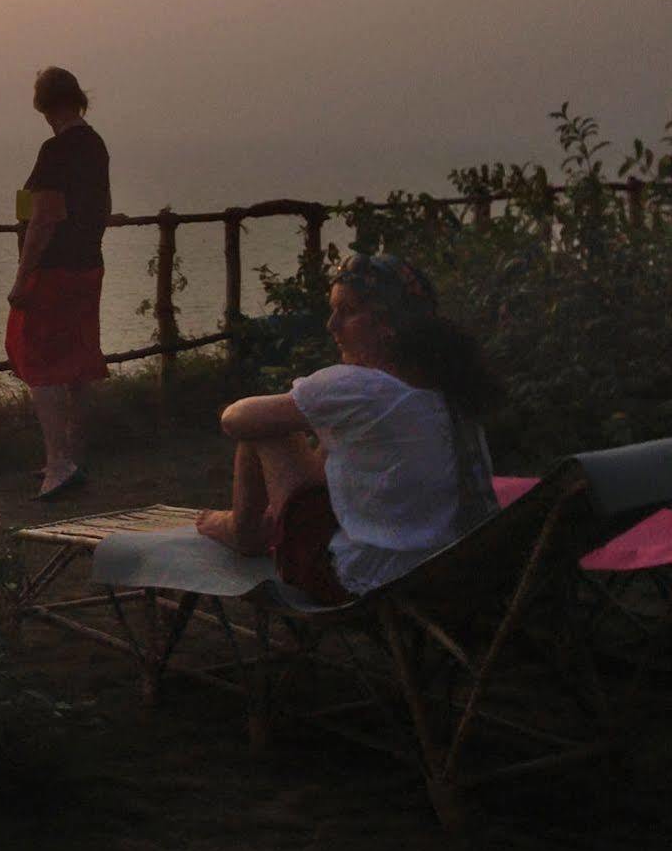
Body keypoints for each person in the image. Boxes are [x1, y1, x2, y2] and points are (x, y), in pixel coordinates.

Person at [194, 253, 501, 605]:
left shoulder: (360, 388)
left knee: (265, 428)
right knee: (319, 430)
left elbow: (234, 419)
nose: (331, 325)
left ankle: (242, 532)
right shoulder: (447, 385)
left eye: (347, 311)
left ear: (388, 324)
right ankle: (261, 525)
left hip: (366, 581)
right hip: (448, 571)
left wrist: (300, 414)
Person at [6, 66, 111, 498]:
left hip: (53, 270)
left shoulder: (57, 149)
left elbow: (43, 217)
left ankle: (58, 462)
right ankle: (72, 453)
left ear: (46, 105)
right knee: (76, 360)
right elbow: (100, 206)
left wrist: (22, 275)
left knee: (37, 359)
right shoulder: (96, 145)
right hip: (88, 264)